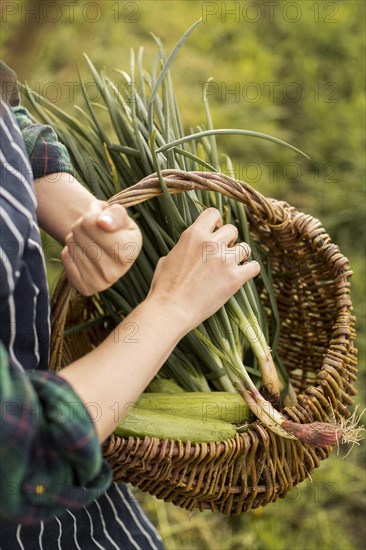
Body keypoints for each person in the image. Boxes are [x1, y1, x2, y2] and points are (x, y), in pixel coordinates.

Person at [0, 61, 260, 549]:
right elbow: (23, 451)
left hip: (79, 475)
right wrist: (171, 307)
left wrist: (83, 215)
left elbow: (6, 122)